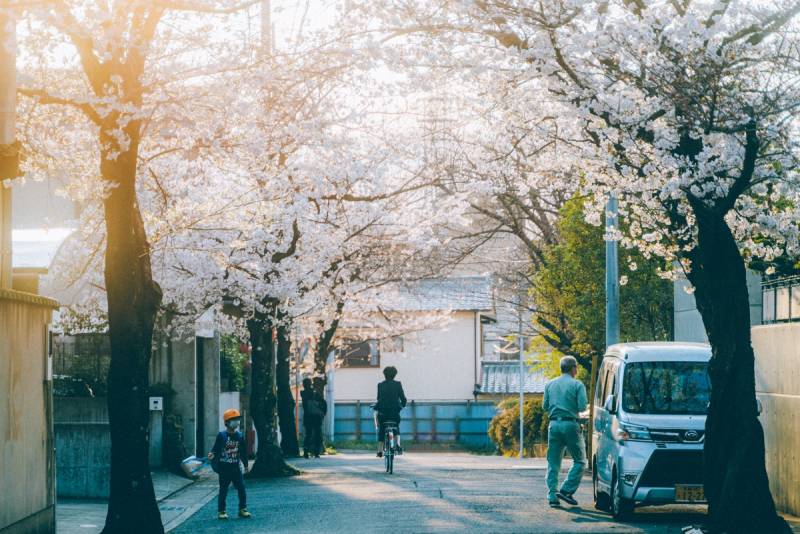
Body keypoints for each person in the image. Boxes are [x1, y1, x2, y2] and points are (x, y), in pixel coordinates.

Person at [543, 356, 589, 508]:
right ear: (573, 368)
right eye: (576, 367)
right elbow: (582, 407)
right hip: (571, 425)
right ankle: (566, 489)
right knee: (580, 460)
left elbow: (545, 406)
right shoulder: (577, 384)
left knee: (553, 461)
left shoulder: (550, 384)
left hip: (554, 424)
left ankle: (552, 496)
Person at [208, 408, 252, 520]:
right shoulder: (221, 436)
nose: (236, 422)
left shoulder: (240, 436)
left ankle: (243, 509)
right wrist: (212, 454)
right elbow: (215, 449)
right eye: (233, 419)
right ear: (226, 422)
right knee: (223, 489)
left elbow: (243, 452)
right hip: (224, 468)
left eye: (237, 419)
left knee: (241, 488)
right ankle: (221, 511)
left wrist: (246, 465)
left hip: (236, 468)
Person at [373, 366, 407, 457]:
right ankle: (397, 445)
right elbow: (403, 398)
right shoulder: (398, 384)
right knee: (396, 426)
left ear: (384, 374)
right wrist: (402, 405)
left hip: (383, 413)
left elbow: (379, 399)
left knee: (382, 428)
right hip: (394, 413)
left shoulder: (380, 385)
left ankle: (380, 450)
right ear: (395, 375)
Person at [301, 378, 327, 458]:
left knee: (308, 435)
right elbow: (323, 403)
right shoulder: (315, 393)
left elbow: (305, 406)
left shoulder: (303, 394)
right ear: (310, 384)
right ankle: (316, 452)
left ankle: (306, 451)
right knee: (317, 434)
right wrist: (323, 413)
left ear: (303, 385)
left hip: (308, 417)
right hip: (316, 417)